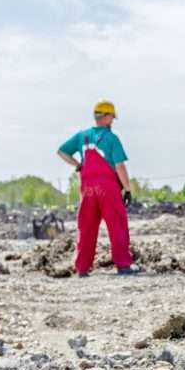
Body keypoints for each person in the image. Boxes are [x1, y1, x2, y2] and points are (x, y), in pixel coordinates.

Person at [56, 99, 137, 276]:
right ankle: (123, 265)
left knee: (86, 227)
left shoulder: (81, 136)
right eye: (112, 118)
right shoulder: (111, 138)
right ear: (107, 117)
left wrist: (78, 165)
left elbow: (61, 151)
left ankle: (82, 268)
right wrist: (127, 189)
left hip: (87, 190)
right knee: (117, 225)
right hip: (108, 189)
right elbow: (120, 166)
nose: (113, 122)